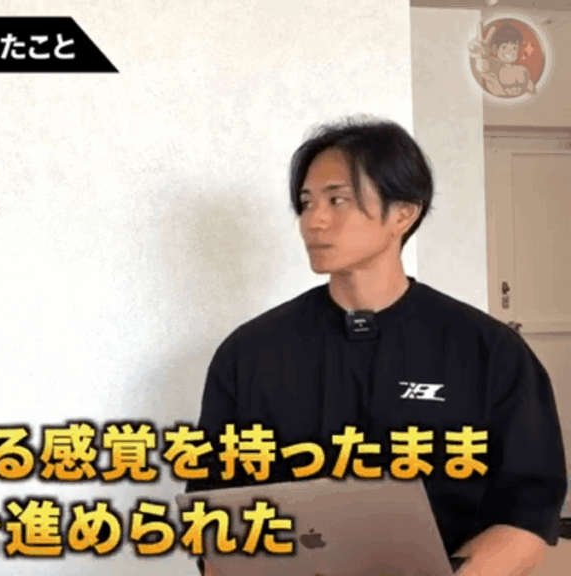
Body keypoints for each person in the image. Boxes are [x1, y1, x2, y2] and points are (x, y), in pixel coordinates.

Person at [187, 118, 567, 575]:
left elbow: (527, 512)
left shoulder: (489, 351)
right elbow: (212, 512)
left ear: (403, 213)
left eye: (337, 200)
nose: (313, 221)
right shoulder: (249, 353)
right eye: (306, 203)